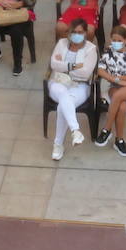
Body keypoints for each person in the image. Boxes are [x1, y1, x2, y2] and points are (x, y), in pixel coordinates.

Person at [47, 18, 98, 161]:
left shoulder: (91, 49)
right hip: (58, 82)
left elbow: (86, 73)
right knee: (63, 94)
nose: (76, 35)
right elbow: (53, 64)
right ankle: (75, 130)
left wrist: (64, 66)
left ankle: (58, 144)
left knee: (62, 106)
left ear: (85, 33)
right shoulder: (61, 43)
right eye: (73, 32)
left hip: (79, 85)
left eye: (80, 32)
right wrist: (74, 66)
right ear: (69, 33)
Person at [93, 24, 126, 158]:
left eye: (119, 40)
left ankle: (107, 129)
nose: (116, 43)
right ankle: (119, 140)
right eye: (114, 40)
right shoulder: (108, 52)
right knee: (122, 106)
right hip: (115, 86)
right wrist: (116, 80)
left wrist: (120, 78)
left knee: (118, 97)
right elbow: (100, 70)